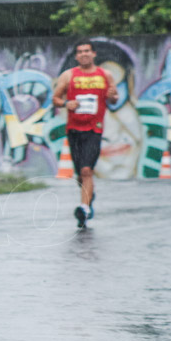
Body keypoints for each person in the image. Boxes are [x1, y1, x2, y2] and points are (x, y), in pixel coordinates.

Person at [53, 39, 118, 228]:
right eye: (80, 52)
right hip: (74, 130)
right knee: (80, 175)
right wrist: (66, 104)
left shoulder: (105, 75)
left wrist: (112, 96)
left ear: (94, 54)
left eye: (87, 51)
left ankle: (84, 208)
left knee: (86, 170)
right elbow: (56, 98)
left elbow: (113, 99)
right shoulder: (68, 76)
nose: (84, 54)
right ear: (76, 56)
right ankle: (89, 197)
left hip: (94, 129)